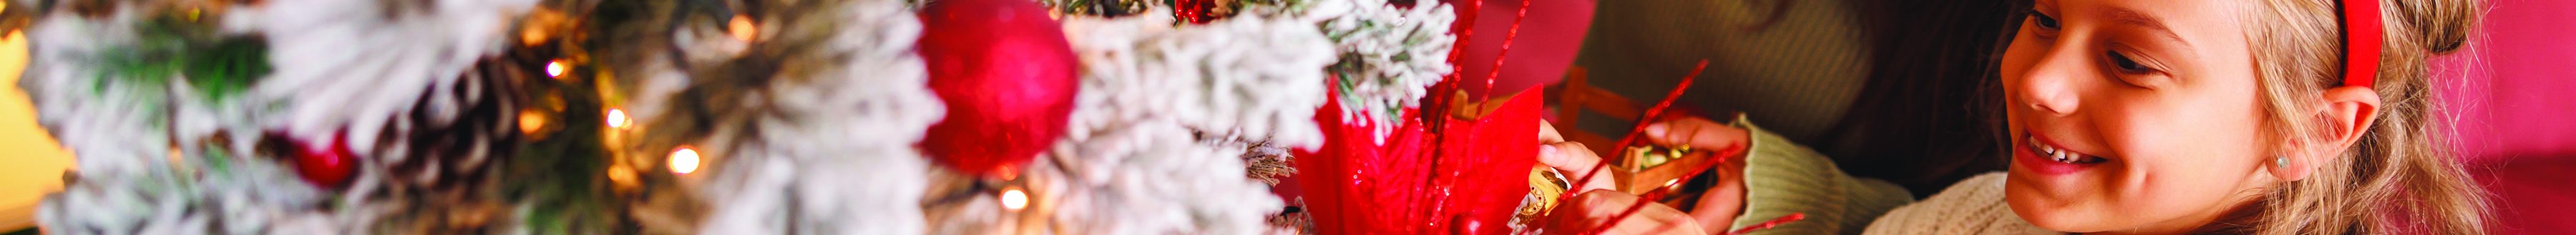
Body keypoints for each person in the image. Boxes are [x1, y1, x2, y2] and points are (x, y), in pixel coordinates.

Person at [1535, 0, 2490, 234]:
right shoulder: (2007, 203)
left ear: (2315, 130)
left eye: (2130, 59)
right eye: (2043, 16)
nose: (2036, 78)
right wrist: (1790, 190)